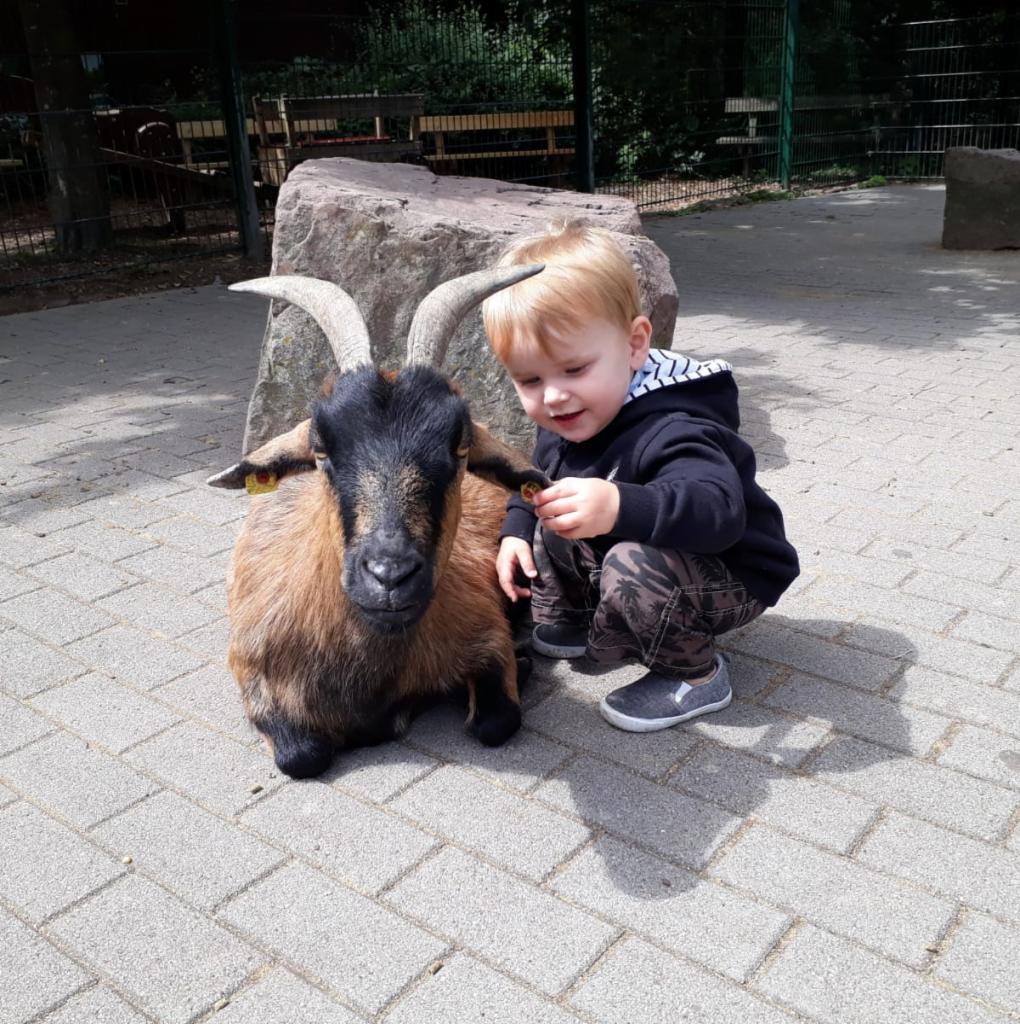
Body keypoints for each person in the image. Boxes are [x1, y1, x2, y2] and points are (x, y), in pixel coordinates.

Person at [481, 220, 799, 732]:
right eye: (530, 379)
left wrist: (618, 505)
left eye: (575, 369)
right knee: (553, 509)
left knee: (631, 560)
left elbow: (718, 510)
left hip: (731, 571)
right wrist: (515, 532)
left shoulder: (675, 426)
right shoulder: (573, 417)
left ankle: (697, 675)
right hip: (663, 558)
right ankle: (584, 619)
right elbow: (534, 476)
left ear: (634, 344)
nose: (554, 396)